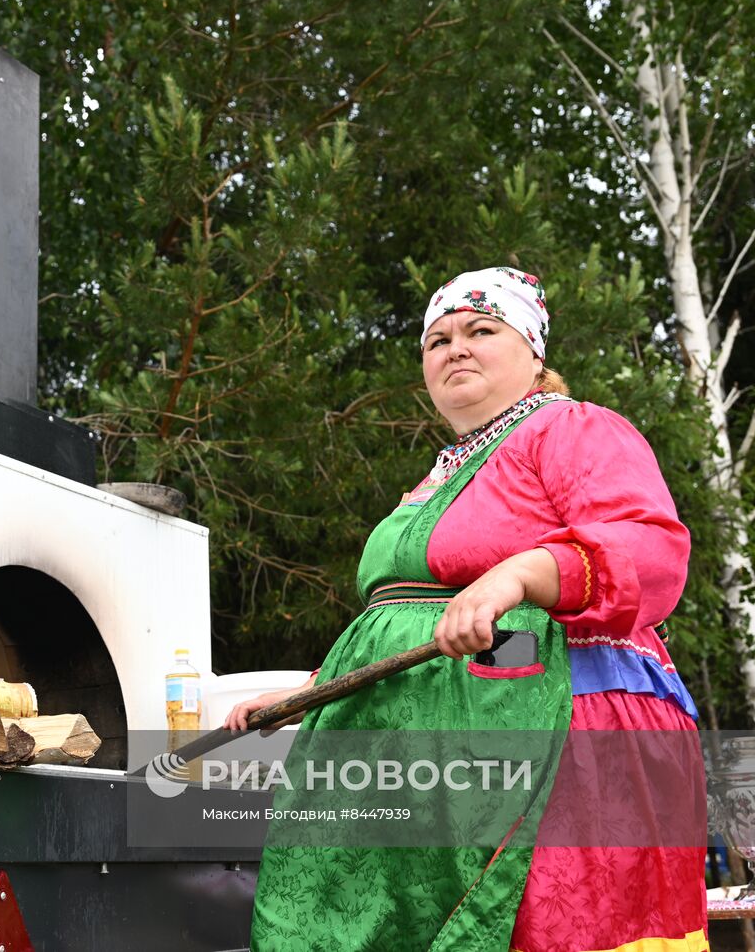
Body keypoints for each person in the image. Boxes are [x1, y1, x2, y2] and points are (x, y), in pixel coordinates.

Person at [225, 267, 708, 952]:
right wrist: (317, 691)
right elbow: (401, 613)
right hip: (411, 756)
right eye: (438, 338)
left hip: (546, 731)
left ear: (535, 353)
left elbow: (648, 549)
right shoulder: (436, 476)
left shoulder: (571, 430)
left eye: (482, 330)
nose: (456, 347)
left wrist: (524, 572)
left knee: (534, 923)